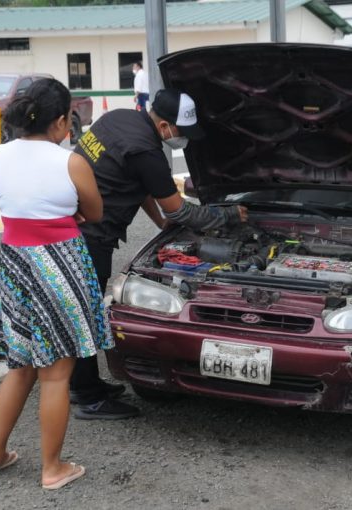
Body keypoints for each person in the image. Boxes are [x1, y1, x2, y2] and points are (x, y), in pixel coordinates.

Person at [69, 88, 247, 419]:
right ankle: (87, 396)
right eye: (181, 132)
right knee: (85, 313)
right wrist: (228, 216)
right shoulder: (146, 150)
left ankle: (86, 382)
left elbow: (141, 187)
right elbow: (182, 211)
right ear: (164, 126)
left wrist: (161, 224)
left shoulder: (118, 119)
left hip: (76, 229)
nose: (182, 139)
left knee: (83, 309)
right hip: (91, 237)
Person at [0, 78, 111, 490]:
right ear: (60, 121)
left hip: (15, 263)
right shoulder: (69, 162)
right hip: (59, 263)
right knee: (56, 375)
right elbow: (95, 211)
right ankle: (52, 468)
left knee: (19, 368)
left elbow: (9, 204)